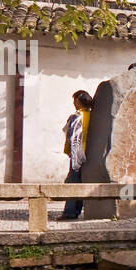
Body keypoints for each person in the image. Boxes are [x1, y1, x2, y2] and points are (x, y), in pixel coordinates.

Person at [60, 90, 93, 220]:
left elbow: (71, 135)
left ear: (78, 102)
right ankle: (76, 210)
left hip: (77, 154)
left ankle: (70, 212)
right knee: (80, 182)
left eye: (75, 100)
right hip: (89, 153)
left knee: (73, 182)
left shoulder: (76, 116)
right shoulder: (91, 115)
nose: (74, 103)